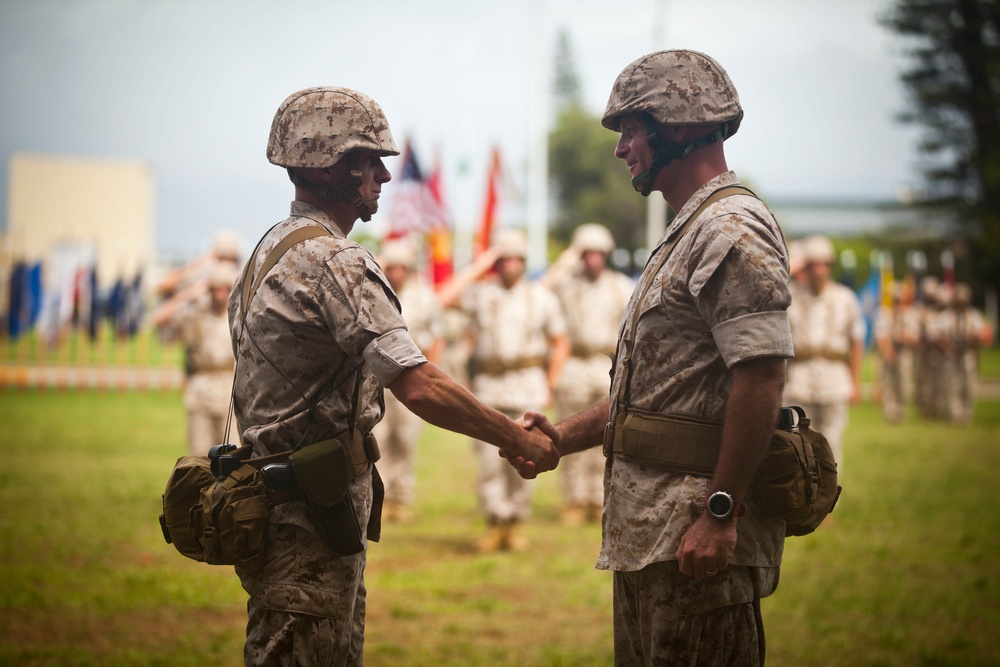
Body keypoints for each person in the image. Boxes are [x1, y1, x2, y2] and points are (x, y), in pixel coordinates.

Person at [230, 86, 557, 667]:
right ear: (331, 166)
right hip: (311, 513)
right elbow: (420, 384)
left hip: (278, 500)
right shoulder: (337, 261)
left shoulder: (269, 249)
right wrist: (515, 437)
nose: (382, 175)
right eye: (368, 160)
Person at [511, 50, 793, 665]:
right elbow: (658, 399)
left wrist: (721, 513)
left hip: (695, 537)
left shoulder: (730, 229)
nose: (621, 149)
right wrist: (560, 436)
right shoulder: (686, 231)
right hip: (652, 540)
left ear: (681, 127)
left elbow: (762, 378)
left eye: (632, 130)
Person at [439, 228, 570, 552]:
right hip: (489, 387)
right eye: (505, 259)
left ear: (524, 262)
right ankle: (495, 521)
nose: (510, 264)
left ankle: (514, 524)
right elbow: (443, 297)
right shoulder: (482, 293)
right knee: (489, 459)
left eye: (516, 258)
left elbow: (560, 341)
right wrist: (483, 261)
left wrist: (551, 383)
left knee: (527, 455)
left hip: (527, 384)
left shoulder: (541, 296)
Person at [546, 223, 633, 525]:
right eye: (587, 253)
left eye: (598, 253)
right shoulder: (567, 284)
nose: (593, 259)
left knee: (606, 438)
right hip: (574, 363)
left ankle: (598, 499)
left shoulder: (620, 285)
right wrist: (568, 256)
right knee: (568, 432)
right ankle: (573, 499)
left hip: (606, 364)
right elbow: (540, 289)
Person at [371, 238, 444, 523]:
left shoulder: (425, 297)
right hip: (378, 380)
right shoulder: (374, 293)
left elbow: (437, 337)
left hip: (412, 378)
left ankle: (402, 498)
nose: (397, 272)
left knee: (406, 440)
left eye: (403, 267)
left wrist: (431, 373)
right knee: (379, 439)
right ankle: (383, 497)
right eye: (392, 266)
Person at [782, 234, 865, 466]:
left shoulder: (845, 298)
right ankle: (802, 499)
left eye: (824, 263)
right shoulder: (790, 298)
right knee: (798, 445)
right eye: (813, 264)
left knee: (831, 444)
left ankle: (829, 499)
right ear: (805, 266)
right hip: (800, 380)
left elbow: (857, 342)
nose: (819, 270)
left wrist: (855, 383)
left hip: (834, 379)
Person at [152, 260, 241, 455]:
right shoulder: (195, 315)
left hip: (230, 395)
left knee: (234, 460)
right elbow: (159, 319)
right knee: (200, 459)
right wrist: (188, 294)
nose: (219, 293)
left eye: (224, 288)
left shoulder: (239, 316)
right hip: (200, 394)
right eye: (214, 288)